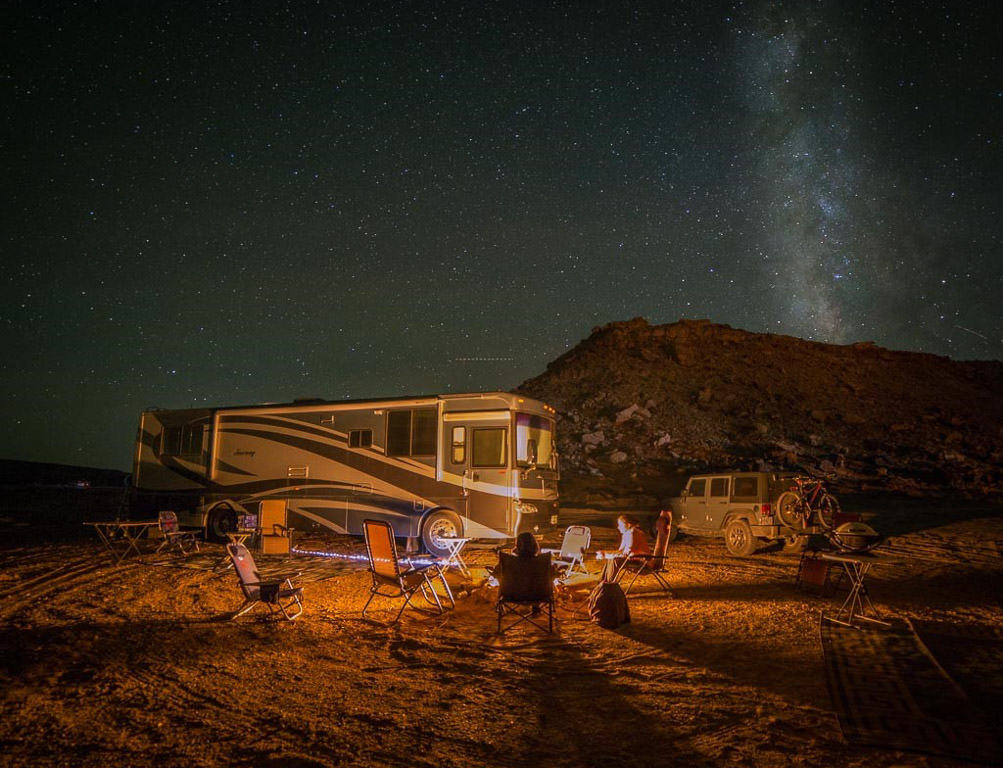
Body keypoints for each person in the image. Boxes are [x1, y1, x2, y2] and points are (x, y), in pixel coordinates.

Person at [600, 514, 651, 582]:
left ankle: (609, 585)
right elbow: (620, 551)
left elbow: (627, 553)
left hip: (643, 562)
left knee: (615, 560)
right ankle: (603, 583)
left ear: (628, 525)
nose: (618, 527)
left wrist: (607, 555)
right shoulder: (626, 534)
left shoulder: (633, 532)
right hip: (634, 559)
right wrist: (605, 553)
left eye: (620, 525)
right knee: (610, 559)